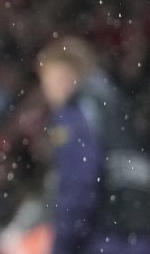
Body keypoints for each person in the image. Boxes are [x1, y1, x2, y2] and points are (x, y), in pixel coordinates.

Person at [35, 36, 150, 254]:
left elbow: (79, 184)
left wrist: (62, 245)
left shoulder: (75, 113)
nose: (46, 91)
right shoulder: (118, 106)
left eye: (46, 79)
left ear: (64, 74)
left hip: (103, 238)